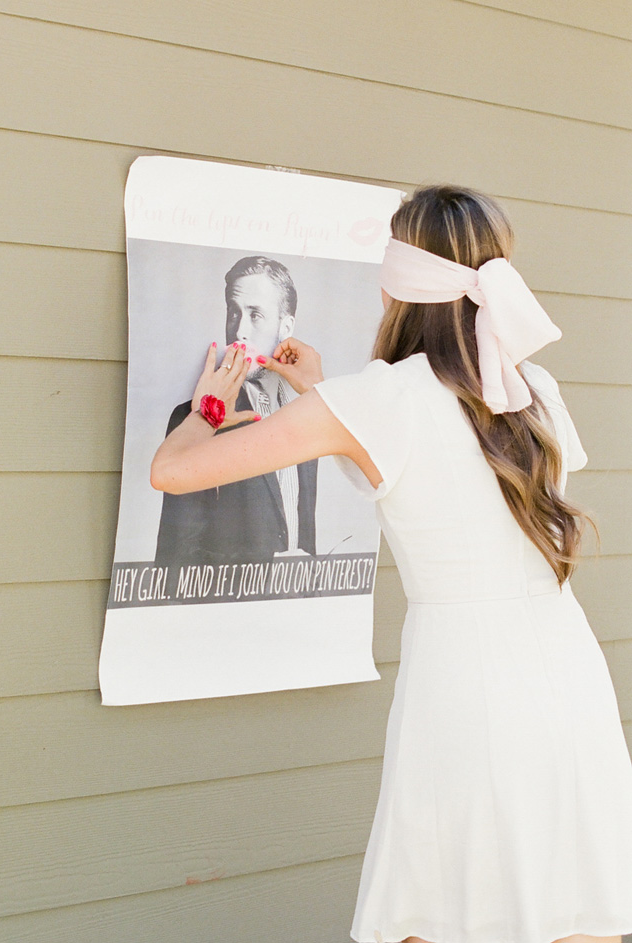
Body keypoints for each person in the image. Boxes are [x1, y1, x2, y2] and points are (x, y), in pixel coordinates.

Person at [150, 184, 632, 943]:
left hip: (467, 683)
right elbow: (441, 457)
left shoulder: (382, 399)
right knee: (567, 898)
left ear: (397, 282)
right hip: (566, 675)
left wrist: (210, 406)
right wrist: (321, 388)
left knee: (443, 907)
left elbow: (173, 472)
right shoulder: (533, 388)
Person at [153, 254, 318, 566]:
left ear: (285, 327)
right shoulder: (195, 417)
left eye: (255, 315)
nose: (240, 331)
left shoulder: (308, 413)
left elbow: (303, 532)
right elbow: (174, 562)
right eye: (233, 313)